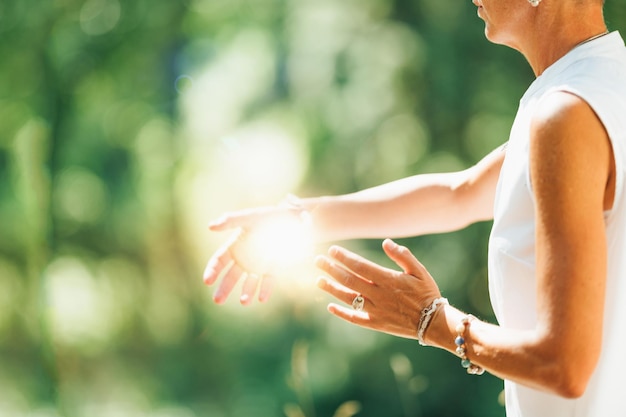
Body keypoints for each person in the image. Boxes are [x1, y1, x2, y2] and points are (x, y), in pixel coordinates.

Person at [203, 0, 626, 415]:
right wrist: (300, 219)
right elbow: (459, 194)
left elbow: (564, 365)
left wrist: (431, 322)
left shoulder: (565, 113)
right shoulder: (600, 84)